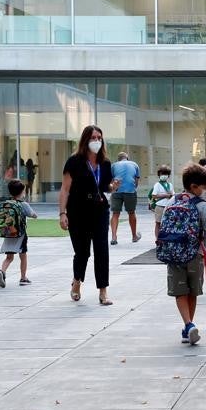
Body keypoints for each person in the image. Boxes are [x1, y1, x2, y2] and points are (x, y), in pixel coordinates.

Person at [59, 125, 116, 305]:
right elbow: (65, 189)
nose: (97, 141)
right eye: (93, 138)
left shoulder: (106, 163)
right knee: (82, 252)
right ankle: (77, 282)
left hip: (99, 210)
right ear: (85, 140)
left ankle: (103, 291)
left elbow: (105, 186)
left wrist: (113, 187)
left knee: (102, 250)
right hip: (78, 211)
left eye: (99, 137)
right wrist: (62, 213)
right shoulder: (74, 161)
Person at [164, 164, 206, 346]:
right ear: (194, 186)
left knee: (180, 292)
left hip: (174, 253)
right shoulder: (202, 206)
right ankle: (189, 325)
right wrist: (204, 248)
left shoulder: (173, 200)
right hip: (195, 254)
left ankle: (188, 325)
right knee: (193, 291)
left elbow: (164, 224)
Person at [0, 179, 37, 288]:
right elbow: (33, 215)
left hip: (8, 233)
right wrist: (33, 215)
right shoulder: (24, 204)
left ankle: (2, 271)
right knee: (23, 256)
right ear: (22, 192)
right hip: (20, 234)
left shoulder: (6, 204)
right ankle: (23, 278)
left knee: (9, 257)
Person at [108, 151, 141, 245]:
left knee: (115, 214)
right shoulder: (134, 164)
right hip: (130, 191)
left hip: (116, 191)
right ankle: (134, 236)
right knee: (131, 212)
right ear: (127, 158)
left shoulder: (114, 165)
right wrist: (132, 188)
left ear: (118, 159)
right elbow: (136, 180)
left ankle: (114, 237)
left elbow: (111, 181)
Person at [150, 165, 175, 241]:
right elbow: (154, 196)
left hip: (168, 207)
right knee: (158, 223)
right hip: (160, 206)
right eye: (162, 174)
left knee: (168, 223)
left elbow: (173, 194)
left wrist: (171, 195)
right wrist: (165, 195)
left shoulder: (170, 185)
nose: (164, 176)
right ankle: (157, 239)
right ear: (159, 175)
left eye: (166, 174)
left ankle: (166, 238)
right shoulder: (157, 185)